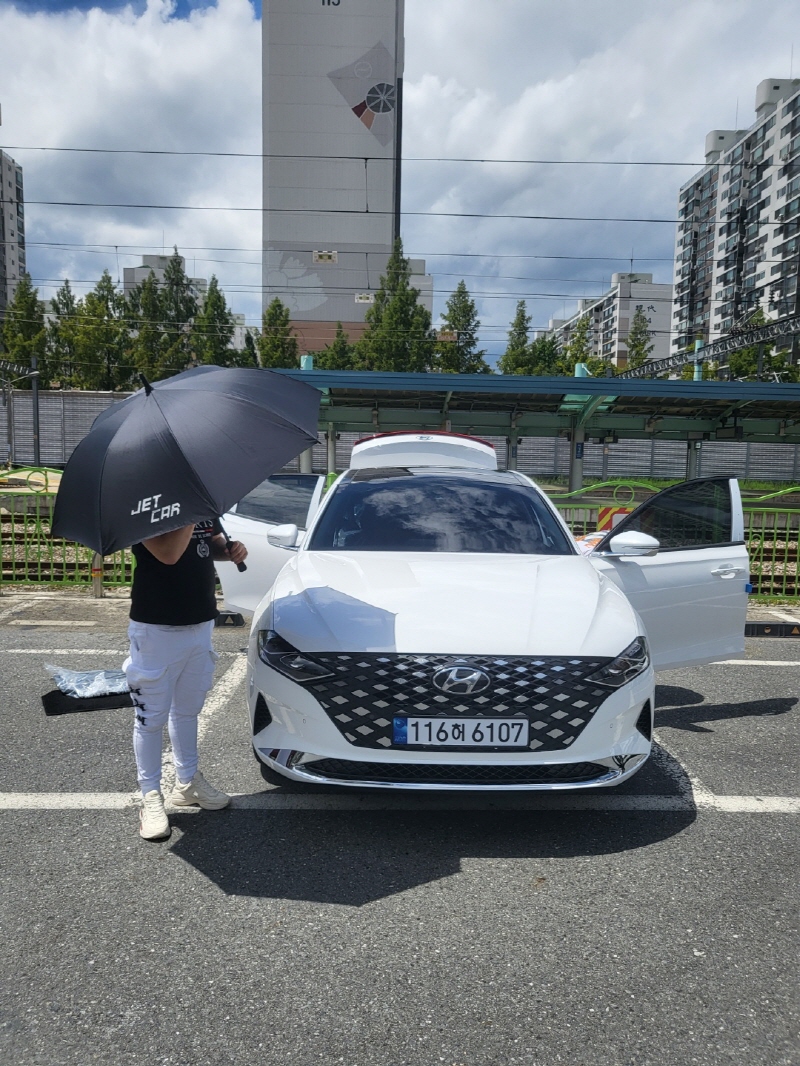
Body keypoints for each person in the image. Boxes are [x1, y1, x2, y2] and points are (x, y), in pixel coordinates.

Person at [123, 519, 248, 841]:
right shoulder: (148, 506)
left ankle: (188, 782)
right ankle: (150, 795)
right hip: (156, 627)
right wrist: (189, 516)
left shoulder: (198, 500)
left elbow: (211, 543)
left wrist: (229, 551)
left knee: (188, 711)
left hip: (201, 621)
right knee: (151, 717)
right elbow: (168, 554)